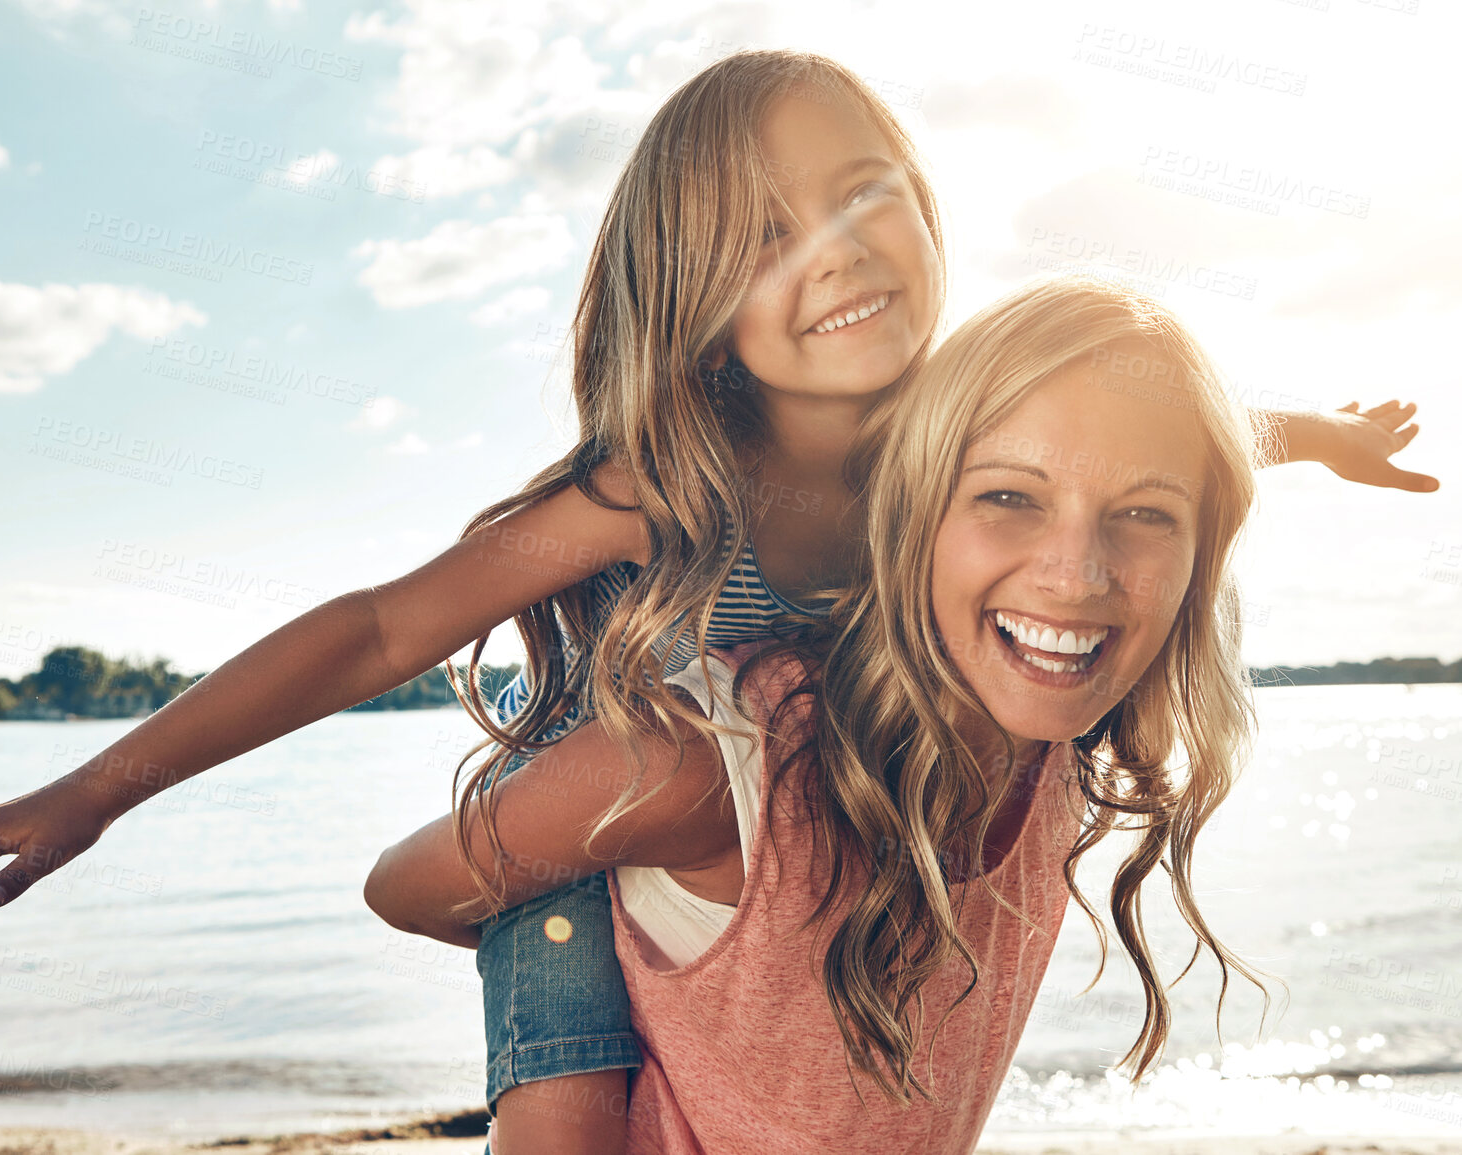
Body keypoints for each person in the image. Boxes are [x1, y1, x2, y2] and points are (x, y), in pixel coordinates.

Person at [0, 51, 1431, 1155]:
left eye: (864, 189)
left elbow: (1148, 427)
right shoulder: (671, 475)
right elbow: (384, 628)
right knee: (569, 1089)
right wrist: (96, 786)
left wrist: (1308, 437)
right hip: (582, 836)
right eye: (756, 236)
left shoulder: (958, 429)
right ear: (685, 296)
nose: (835, 250)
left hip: (805, 792)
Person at [366, 275, 1277, 1153]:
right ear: (908, 510)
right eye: (1007, 497)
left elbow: (1171, 444)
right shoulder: (713, 765)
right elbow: (407, 884)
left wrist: (1317, 437)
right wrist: (574, 958)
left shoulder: (1055, 745)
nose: (1076, 573)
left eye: (1146, 514)